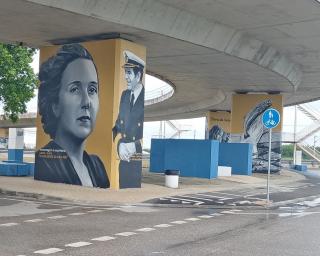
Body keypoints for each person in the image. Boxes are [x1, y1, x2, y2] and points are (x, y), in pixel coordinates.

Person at [34, 44, 109, 188]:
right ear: (55, 104)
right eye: (75, 89)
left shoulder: (97, 166)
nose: (87, 102)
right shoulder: (45, 162)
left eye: (92, 90)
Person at [112, 50, 145, 188]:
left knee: (133, 188)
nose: (126, 77)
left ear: (138, 75)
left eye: (129, 73)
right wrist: (118, 144)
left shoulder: (143, 97)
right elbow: (117, 125)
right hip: (123, 157)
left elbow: (139, 128)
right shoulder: (124, 95)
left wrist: (134, 145)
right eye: (125, 72)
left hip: (135, 155)